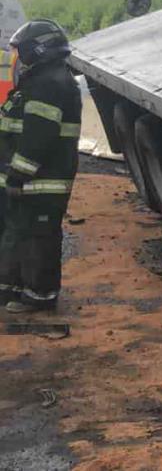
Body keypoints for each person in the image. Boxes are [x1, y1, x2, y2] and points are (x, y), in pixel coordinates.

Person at [0, 20, 81, 313]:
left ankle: (39, 297)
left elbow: (39, 137)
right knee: (18, 234)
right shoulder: (41, 81)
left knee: (38, 238)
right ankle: (13, 290)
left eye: (22, 52)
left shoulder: (51, 84)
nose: (19, 58)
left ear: (38, 50)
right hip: (29, 178)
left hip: (41, 180)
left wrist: (18, 175)